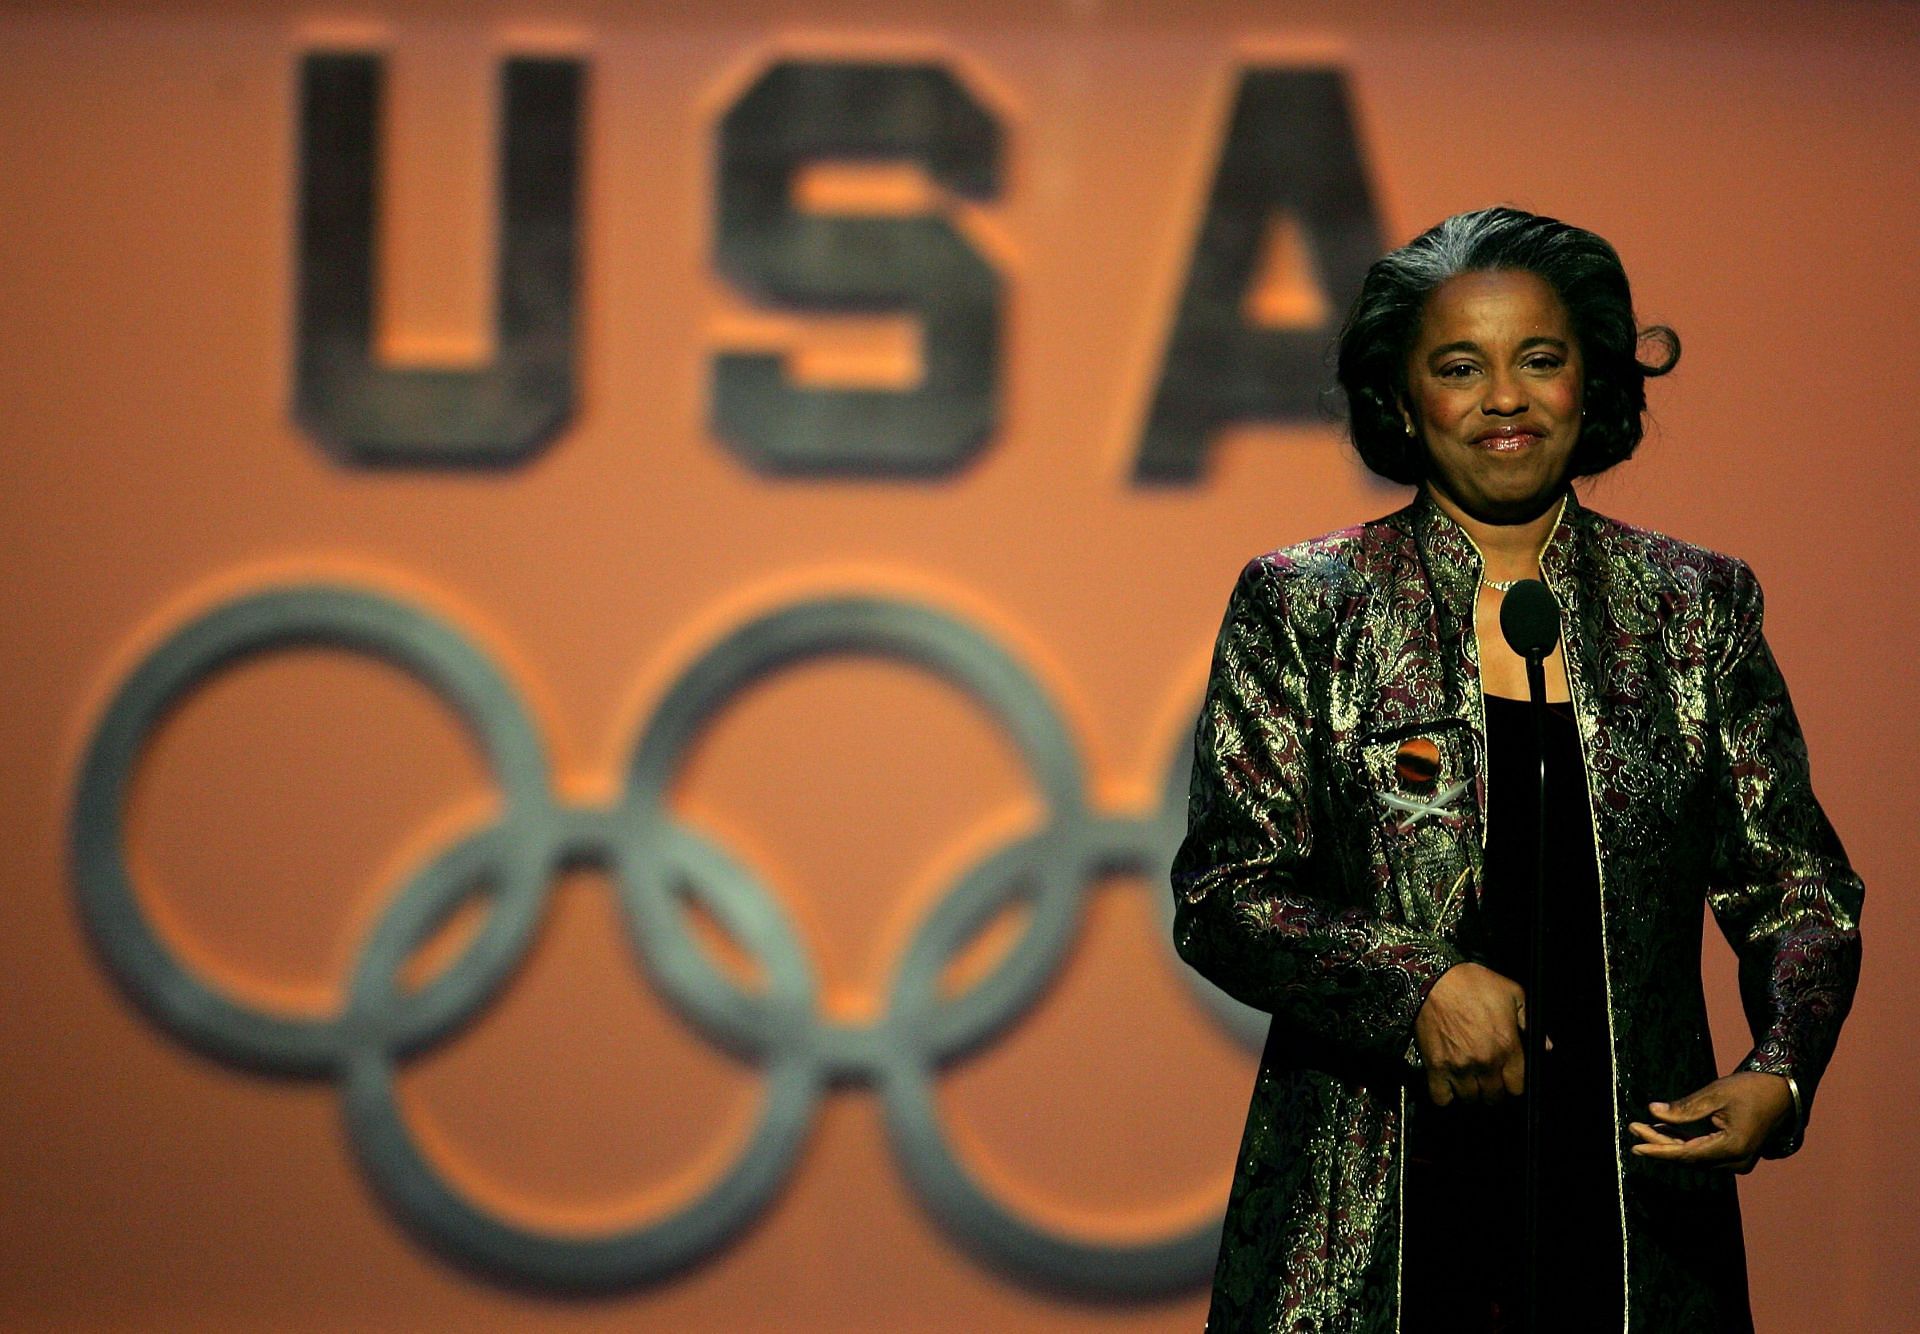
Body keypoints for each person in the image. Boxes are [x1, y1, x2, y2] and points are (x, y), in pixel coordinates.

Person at [1169, 206, 1862, 1332]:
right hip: (1377, 1208)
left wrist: (1781, 1068)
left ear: (1590, 382)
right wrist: (1418, 982)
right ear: (1401, 400)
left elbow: (1796, 883)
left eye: (1539, 360)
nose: (1505, 398)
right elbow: (1227, 892)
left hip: (1630, 1203)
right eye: (1460, 366)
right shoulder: (1308, 604)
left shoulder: (1693, 608)